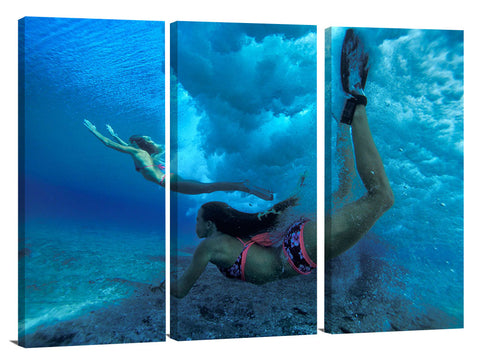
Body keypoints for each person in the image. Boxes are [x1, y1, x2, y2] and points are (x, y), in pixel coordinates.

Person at [168, 28, 393, 298]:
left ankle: (356, 106)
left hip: (296, 251)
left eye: (197, 220)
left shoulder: (210, 246)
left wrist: (157, 288)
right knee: (345, 192)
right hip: (295, 245)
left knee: (381, 197)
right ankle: (344, 123)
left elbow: (180, 290)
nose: (195, 227)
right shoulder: (229, 240)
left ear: (211, 224)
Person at [83, 120, 273, 200]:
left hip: (170, 181)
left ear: (137, 145)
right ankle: (242, 185)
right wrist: (116, 134)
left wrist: (94, 131)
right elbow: (124, 144)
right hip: (171, 178)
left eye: (132, 143)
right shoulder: (142, 154)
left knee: (208, 188)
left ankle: (243, 186)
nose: (129, 145)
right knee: (206, 188)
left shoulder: (139, 155)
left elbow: (110, 144)